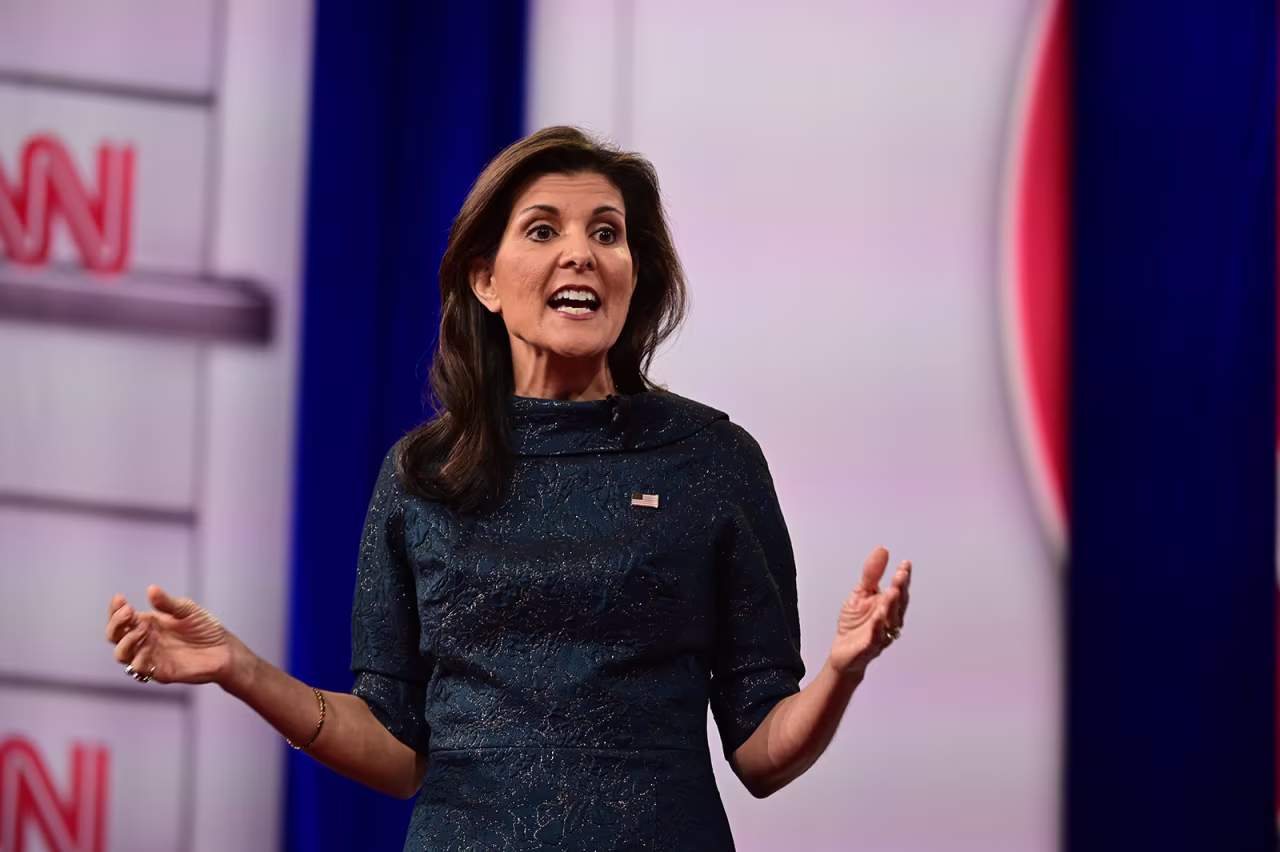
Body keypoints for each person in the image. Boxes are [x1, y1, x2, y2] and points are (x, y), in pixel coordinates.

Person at [104, 126, 912, 851]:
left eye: (608, 233)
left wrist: (843, 670)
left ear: (633, 275)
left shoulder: (710, 460)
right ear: (486, 281)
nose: (582, 253)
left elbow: (762, 753)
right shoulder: (423, 475)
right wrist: (241, 670)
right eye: (544, 230)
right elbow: (396, 751)